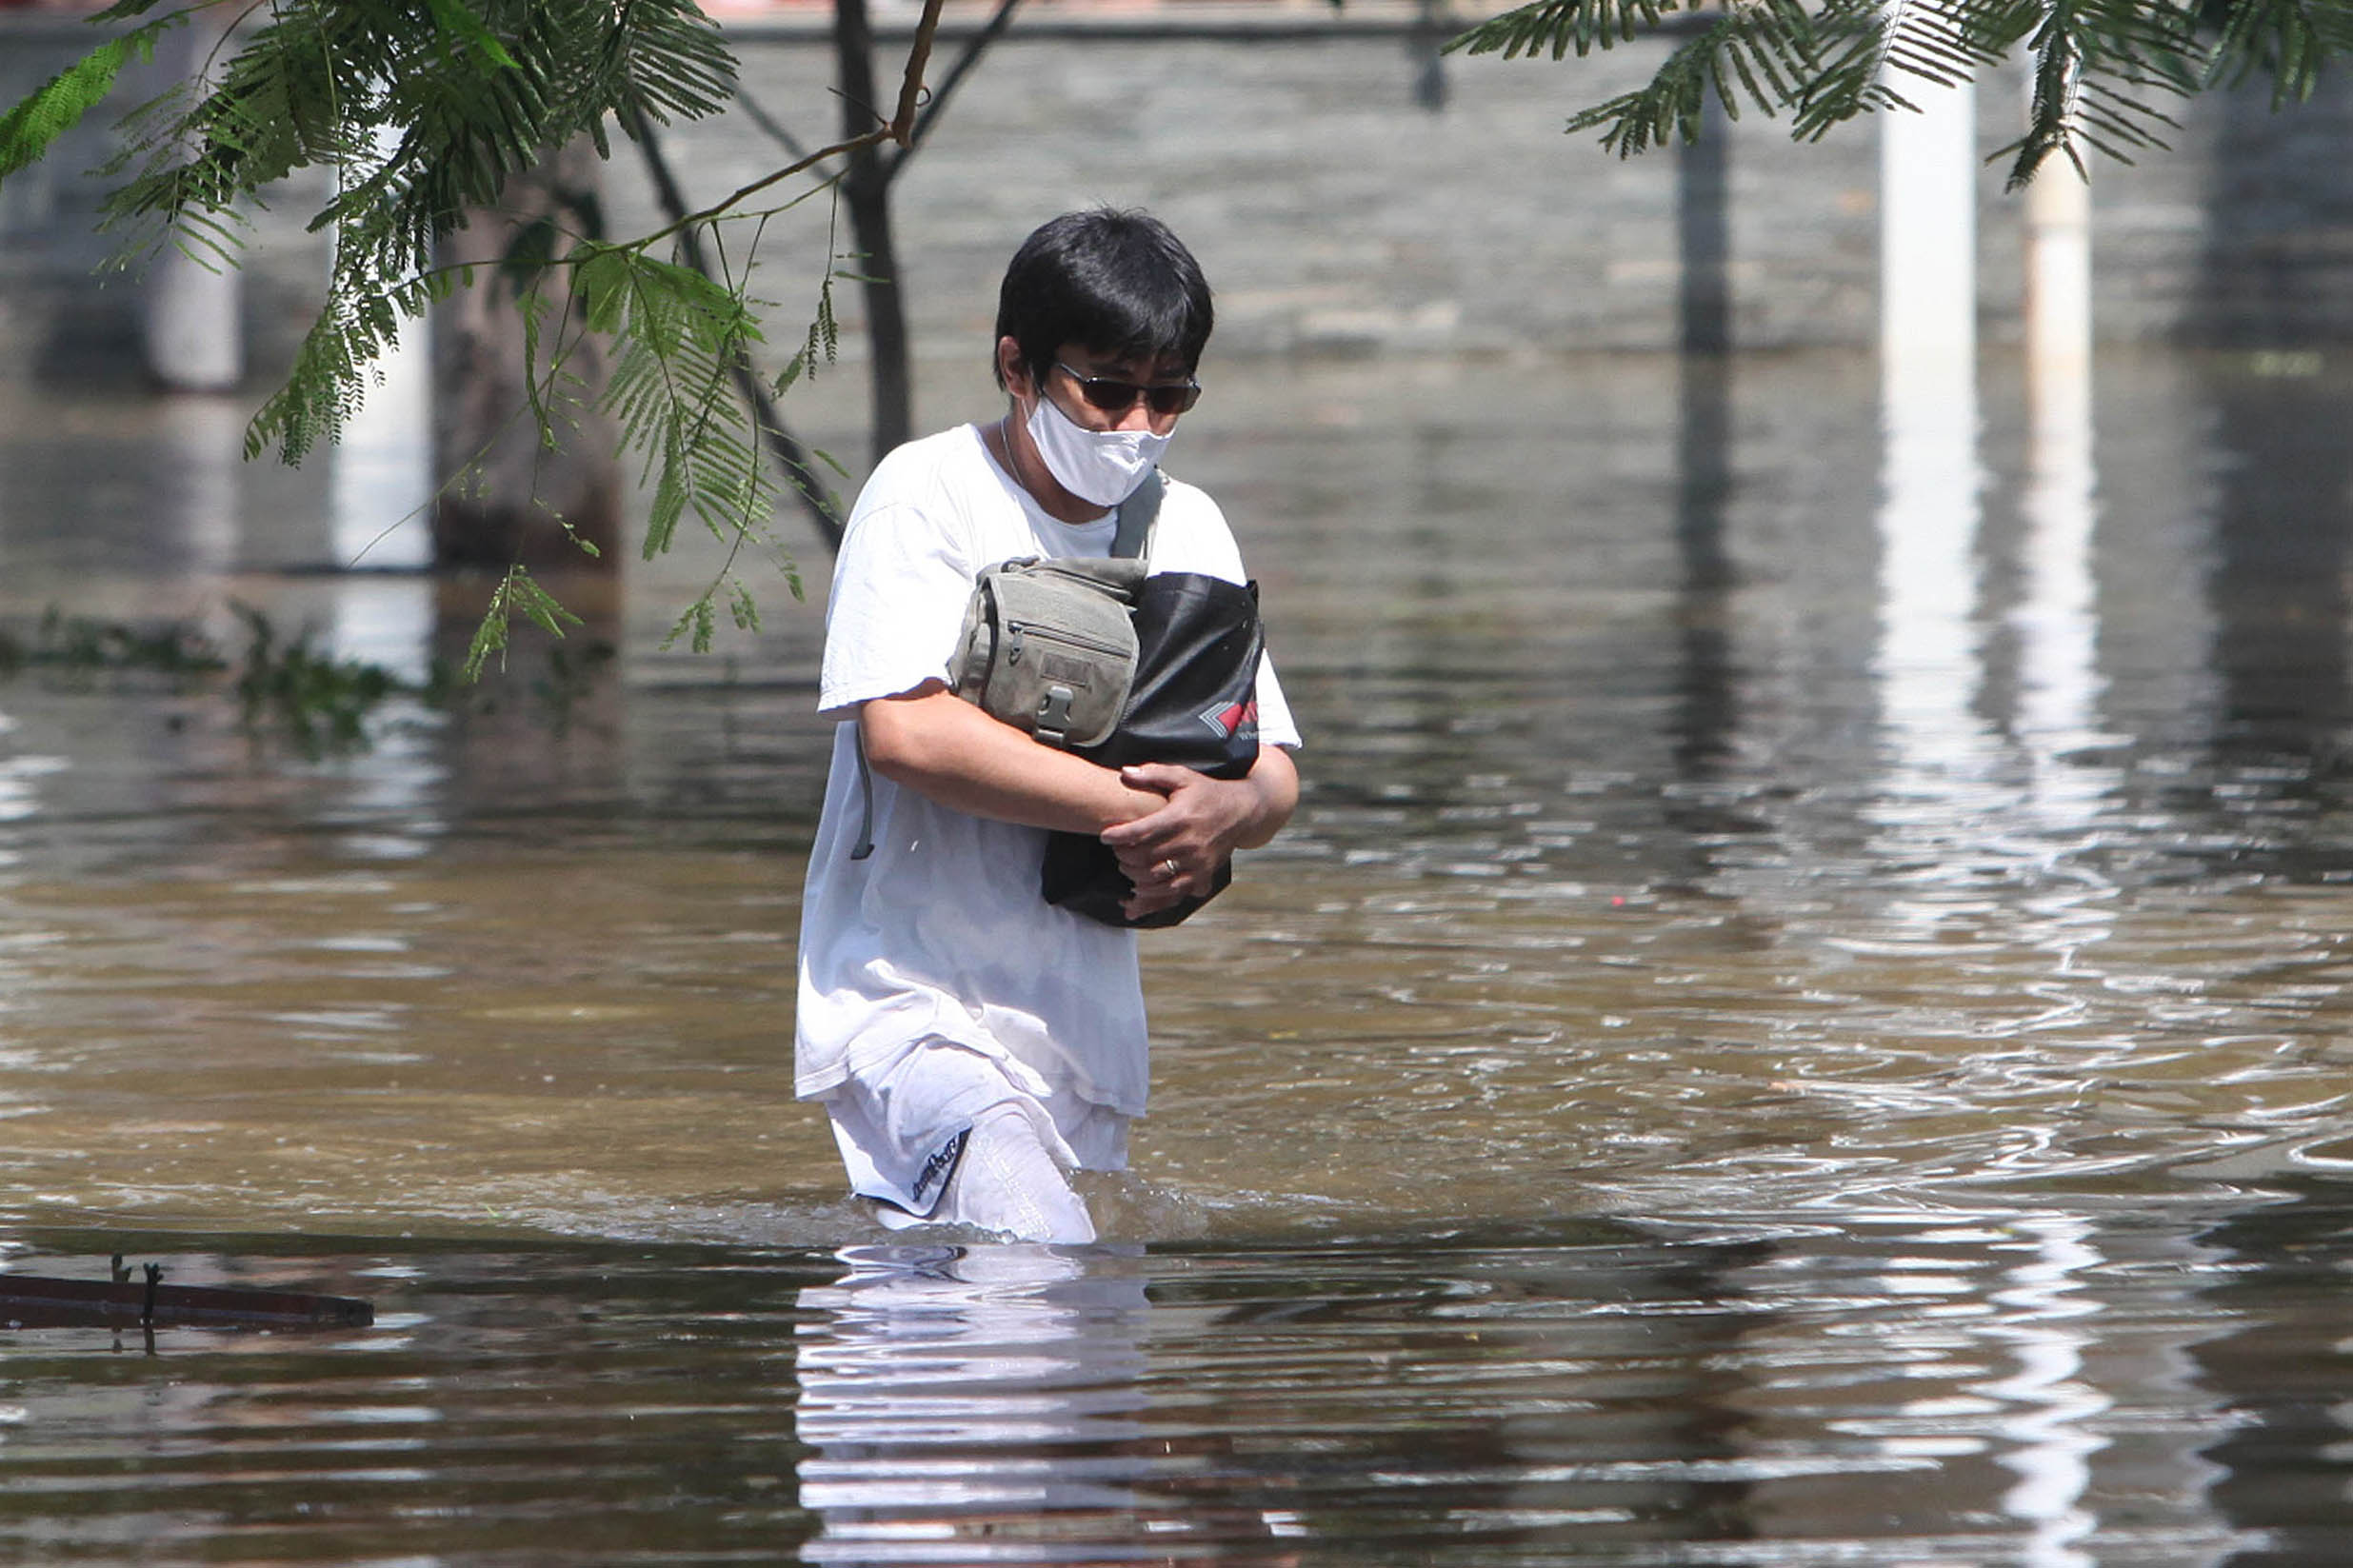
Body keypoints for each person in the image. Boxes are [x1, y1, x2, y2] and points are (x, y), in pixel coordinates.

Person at [794, 208, 1302, 1244]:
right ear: (1016, 367)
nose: (1136, 427)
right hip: (911, 1005)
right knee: (1039, 1261)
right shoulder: (923, 496)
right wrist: (1140, 811)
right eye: (1106, 391)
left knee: (1056, 1355)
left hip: (1083, 1035)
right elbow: (905, 730)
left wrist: (1221, 812)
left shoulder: (1185, 525)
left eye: (1168, 398)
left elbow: (1273, 766)